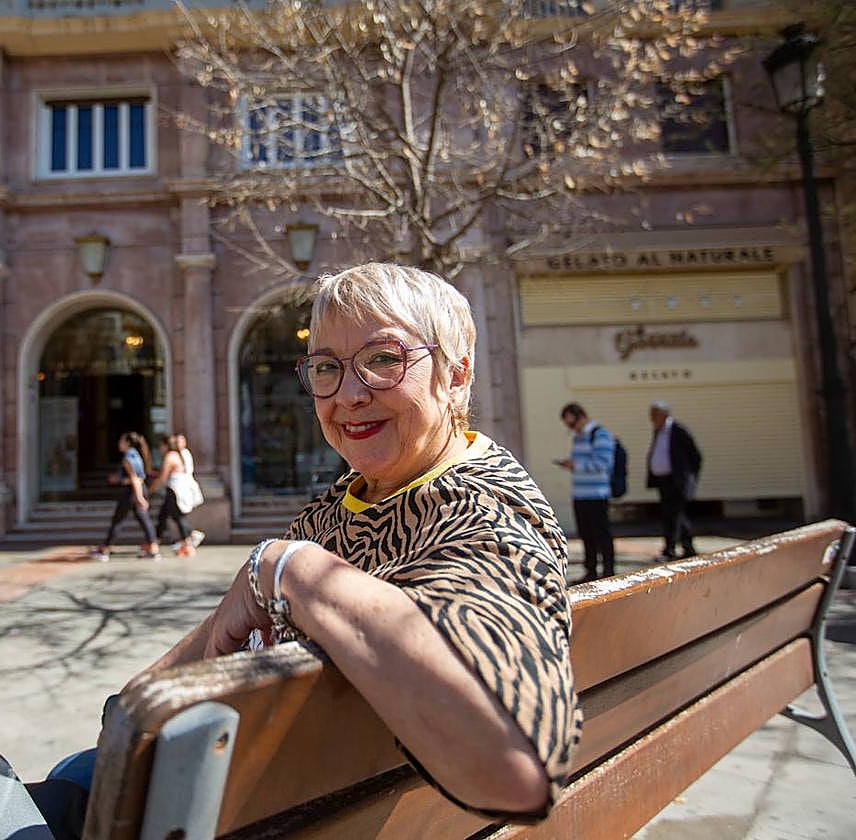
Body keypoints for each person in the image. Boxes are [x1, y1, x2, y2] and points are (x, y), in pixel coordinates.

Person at [43, 264, 580, 834]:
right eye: (327, 368)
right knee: (80, 773)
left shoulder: (481, 512)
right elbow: (226, 624)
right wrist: (132, 709)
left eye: (383, 359)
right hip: (297, 796)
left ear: (456, 375)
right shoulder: (349, 501)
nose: (348, 395)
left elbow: (513, 769)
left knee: (50, 794)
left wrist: (287, 566)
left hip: (280, 814)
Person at [555, 402, 616, 582]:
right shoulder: (578, 437)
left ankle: (608, 570)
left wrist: (576, 466)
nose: (571, 428)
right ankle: (590, 571)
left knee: (602, 534)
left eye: (572, 424)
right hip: (580, 493)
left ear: (582, 417)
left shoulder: (600, 435)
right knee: (586, 535)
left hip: (597, 493)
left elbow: (603, 464)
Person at [90, 432, 160, 561]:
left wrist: (139, 498)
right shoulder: (136, 455)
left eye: (121, 441)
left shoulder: (128, 457)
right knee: (143, 520)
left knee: (119, 520)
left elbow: (135, 479)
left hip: (132, 492)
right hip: (136, 490)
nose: (119, 443)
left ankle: (106, 549)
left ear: (127, 443)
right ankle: (153, 548)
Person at [646, 400, 702, 560]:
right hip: (663, 480)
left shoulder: (678, 430)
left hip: (677, 480)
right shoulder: (658, 431)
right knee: (673, 514)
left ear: (663, 414)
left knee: (674, 514)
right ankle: (687, 546)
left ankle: (669, 550)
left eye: (654, 414)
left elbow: (695, 456)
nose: (651, 418)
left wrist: (689, 477)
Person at [149, 433, 205, 557]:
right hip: (174, 490)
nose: (159, 449)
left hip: (174, 491)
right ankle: (155, 541)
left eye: (160, 446)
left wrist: (150, 490)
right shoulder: (177, 455)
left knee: (177, 517)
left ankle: (188, 542)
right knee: (163, 516)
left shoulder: (171, 456)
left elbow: (162, 477)